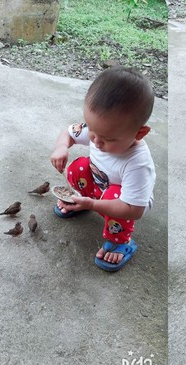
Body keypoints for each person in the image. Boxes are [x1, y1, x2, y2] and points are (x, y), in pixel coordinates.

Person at [50, 66, 156, 271]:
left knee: (112, 197)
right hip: (100, 187)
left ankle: (121, 242)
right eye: (92, 132)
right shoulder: (99, 130)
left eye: (108, 139)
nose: (96, 142)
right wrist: (61, 148)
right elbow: (69, 133)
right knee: (78, 167)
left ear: (140, 133)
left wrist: (93, 205)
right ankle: (80, 201)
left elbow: (134, 210)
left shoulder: (138, 164)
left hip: (126, 202)